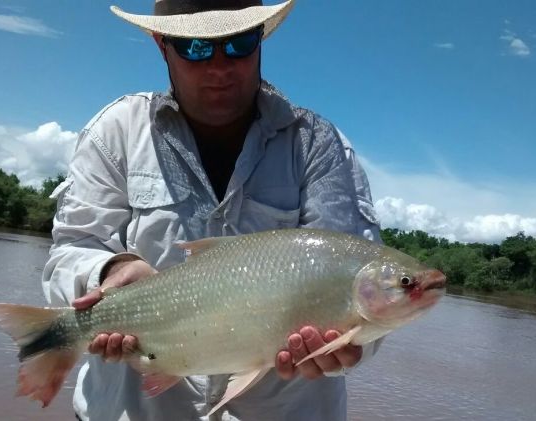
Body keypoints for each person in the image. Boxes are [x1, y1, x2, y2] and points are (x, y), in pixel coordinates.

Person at [42, 0, 381, 419]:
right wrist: (109, 271)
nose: (220, 66)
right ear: (162, 45)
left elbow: (360, 291)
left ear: (261, 39)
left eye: (239, 43)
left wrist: (350, 346)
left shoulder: (317, 147)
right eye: (197, 47)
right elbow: (72, 250)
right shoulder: (117, 133)